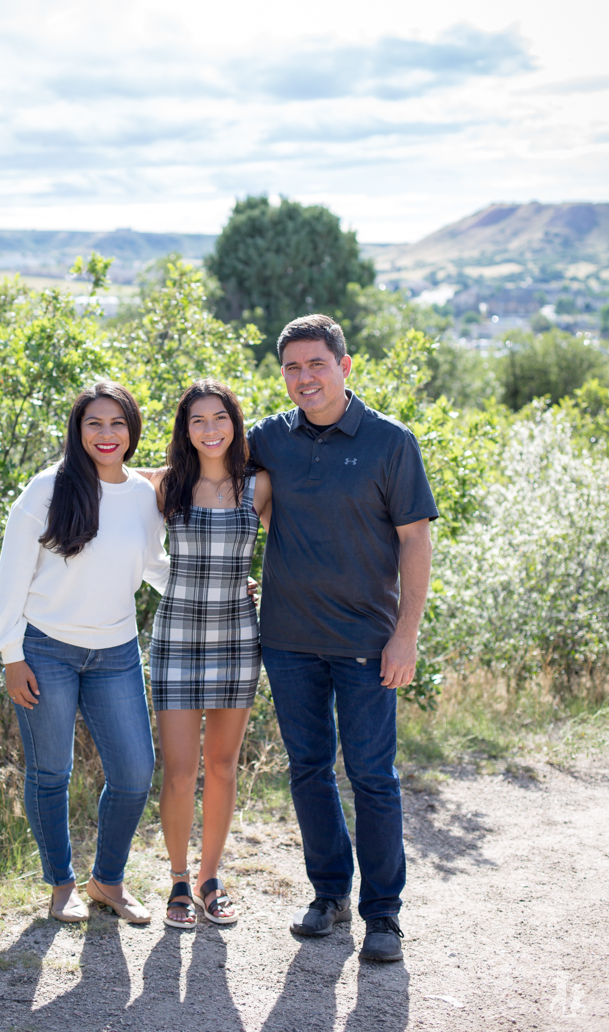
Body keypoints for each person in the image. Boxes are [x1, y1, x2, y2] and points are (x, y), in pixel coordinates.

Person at [247, 314, 437, 963]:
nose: (304, 378)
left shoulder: (390, 442)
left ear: (344, 366)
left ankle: (383, 914)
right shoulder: (269, 437)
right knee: (307, 770)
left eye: (316, 364)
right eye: (293, 368)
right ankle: (329, 895)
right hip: (289, 641)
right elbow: (207, 472)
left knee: (372, 776)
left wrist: (405, 635)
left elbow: (415, 540)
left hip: (367, 641)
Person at [0, 380, 170, 925]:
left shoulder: (142, 495)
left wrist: (220, 586)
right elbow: (11, 576)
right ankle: (61, 882)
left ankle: (106, 881)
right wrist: (11, 655)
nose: (106, 434)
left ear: (132, 429)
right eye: (94, 424)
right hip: (45, 652)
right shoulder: (46, 489)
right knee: (51, 771)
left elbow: (155, 566)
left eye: (116, 423)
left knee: (135, 772)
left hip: (116, 652)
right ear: (78, 429)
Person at [140, 380, 272, 929]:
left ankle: (209, 879)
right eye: (198, 420)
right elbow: (141, 552)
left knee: (220, 766)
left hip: (238, 638)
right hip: (176, 637)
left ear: (235, 424)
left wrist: (256, 583)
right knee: (178, 770)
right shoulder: (165, 484)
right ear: (185, 429)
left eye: (220, 418)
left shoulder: (259, 486)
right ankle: (175, 880)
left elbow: (295, 548)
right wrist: (184, 581)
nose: (210, 429)